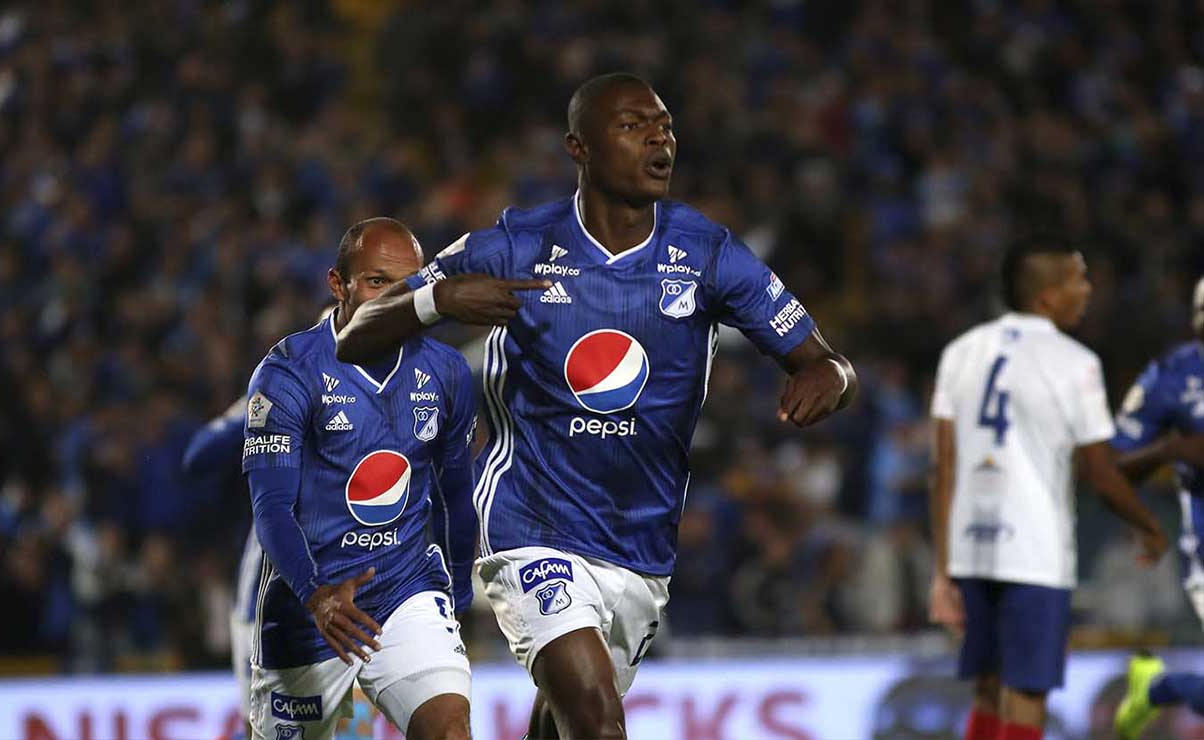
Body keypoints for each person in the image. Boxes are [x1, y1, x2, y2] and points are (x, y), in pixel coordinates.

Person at [336, 72, 857, 739]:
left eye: (664, 126)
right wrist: (437, 299)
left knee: (564, 723)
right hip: (531, 524)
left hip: (641, 544)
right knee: (597, 719)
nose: (658, 139)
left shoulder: (708, 254)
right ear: (579, 148)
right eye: (633, 126)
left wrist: (830, 377)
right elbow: (355, 334)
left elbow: (828, 361)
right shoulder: (517, 244)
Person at [245, 218, 477, 740]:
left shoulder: (446, 372)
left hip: (406, 587)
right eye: (376, 281)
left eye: (408, 284)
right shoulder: (289, 372)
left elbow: (456, 495)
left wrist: (459, 592)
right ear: (338, 284)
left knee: (448, 730)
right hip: (313, 605)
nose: (394, 298)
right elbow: (272, 509)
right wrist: (315, 595)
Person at [927, 237, 1167, 740]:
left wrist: (943, 571)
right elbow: (1100, 472)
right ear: (1046, 295)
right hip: (1034, 552)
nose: (1088, 289)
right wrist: (1148, 525)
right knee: (1026, 693)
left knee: (988, 687)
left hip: (973, 549)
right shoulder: (1075, 362)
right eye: (1077, 279)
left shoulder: (961, 352)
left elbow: (942, 468)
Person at [1108, 275, 1204, 739]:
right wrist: (1169, 450)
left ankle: (1158, 688)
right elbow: (1111, 464)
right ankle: (1160, 688)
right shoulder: (1173, 374)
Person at [182, 395, 258, 732]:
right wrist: (258, 413)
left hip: (353, 578)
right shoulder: (273, 391)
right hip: (268, 593)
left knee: (349, 718)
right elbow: (197, 457)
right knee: (260, 722)